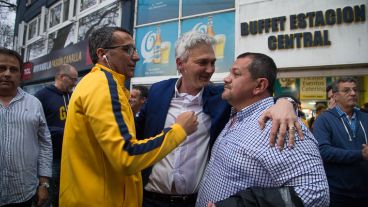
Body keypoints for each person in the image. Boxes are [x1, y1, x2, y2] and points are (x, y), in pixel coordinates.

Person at [135, 31, 303, 207]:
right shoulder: (158, 91)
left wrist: (286, 102)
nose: (210, 70)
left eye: (212, 62)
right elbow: (136, 137)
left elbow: (256, 97)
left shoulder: (220, 98)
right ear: (180, 63)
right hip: (150, 199)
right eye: (202, 63)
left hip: (193, 201)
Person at [59, 27, 198, 207]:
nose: (136, 57)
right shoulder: (103, 85)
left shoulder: (97, 83)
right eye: (127, 49)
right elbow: (127, 156)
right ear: (102, 54)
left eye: (135, 49)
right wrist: (179, 130)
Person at [196, 52, 329, 207]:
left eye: (236, 74)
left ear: (259, 86)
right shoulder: (235, 113)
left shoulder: (279, 125)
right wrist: (286, 100)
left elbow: (316, 192)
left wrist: (237, 204)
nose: (226, 78)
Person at [0, 47, 52, 207]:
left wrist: (44, 183)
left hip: (23, 194)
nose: (7, 73)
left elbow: (45, 143)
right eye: (2, 68)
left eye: (13, 69)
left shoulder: (34, 103)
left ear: (20, 75)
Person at [313, 77, 368, 207]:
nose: (353, 93)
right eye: (347, 90)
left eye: (355, 90)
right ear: (336, 96)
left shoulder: (365, 118)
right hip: (337, 192)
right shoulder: (324, 120)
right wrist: (361, 155)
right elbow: (324, 151)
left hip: (365, 191)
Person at [34, 63, 78, 207]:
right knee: (46, 197)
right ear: (61, 77)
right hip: (50, 157)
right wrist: (63, 131)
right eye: (72, 79)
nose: (75, 83)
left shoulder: (73, 96)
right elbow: (36, 126)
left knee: (63, 195)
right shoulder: (42, 96)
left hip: (70, 156)